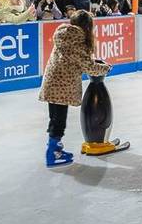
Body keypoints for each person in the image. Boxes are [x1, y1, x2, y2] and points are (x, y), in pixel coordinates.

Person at [37, 10, 111, 166]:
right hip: (62, 86)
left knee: (55, 118)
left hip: (52, 83)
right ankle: (52, 154)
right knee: (59, 121)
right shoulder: (77, 41)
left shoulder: (64, 34)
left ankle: (56, 148)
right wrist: (106, 68)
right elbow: (89, 67)